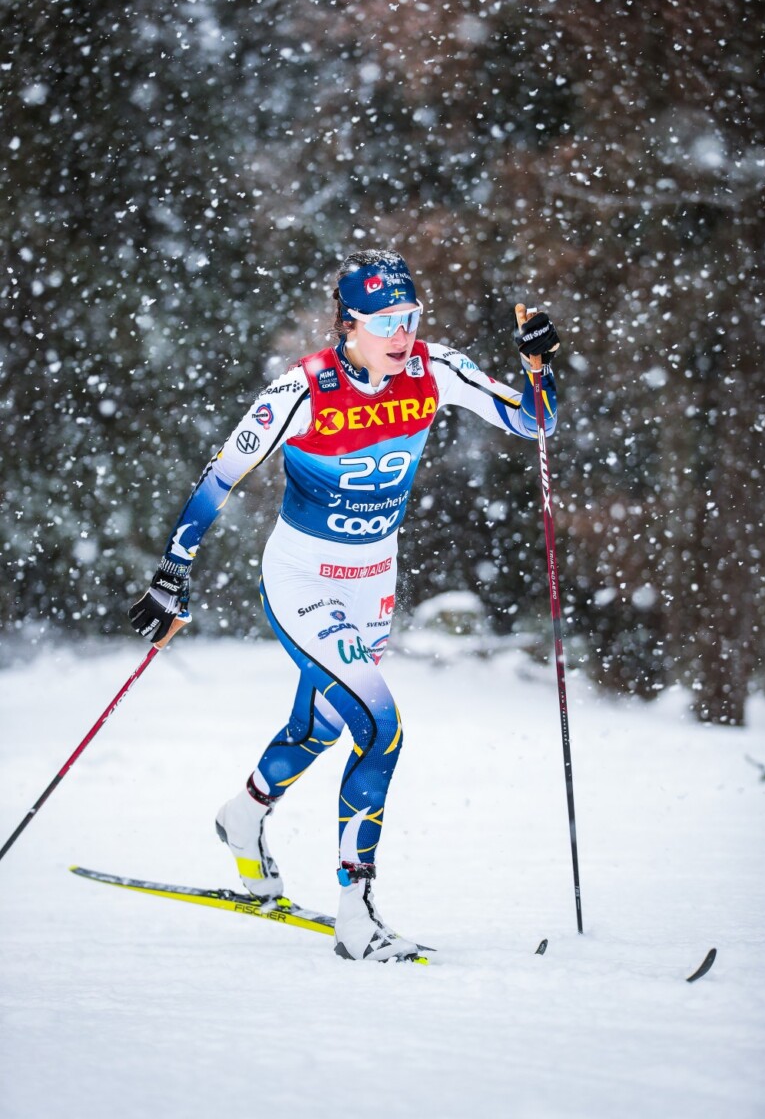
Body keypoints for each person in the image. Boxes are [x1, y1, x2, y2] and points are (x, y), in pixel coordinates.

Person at [129, 249, 560, 962]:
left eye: (410, 317)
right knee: (380, 727)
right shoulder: (301, 390)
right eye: (386, 321)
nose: (402, 334)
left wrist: (538, 367)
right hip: (304, 580)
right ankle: (356, 915)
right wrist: (173, 570)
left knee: (321, 725)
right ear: (348, 323)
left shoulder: (434, 369)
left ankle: (242, 817)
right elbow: (221, 475)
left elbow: (534, 422)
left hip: (373, 583)